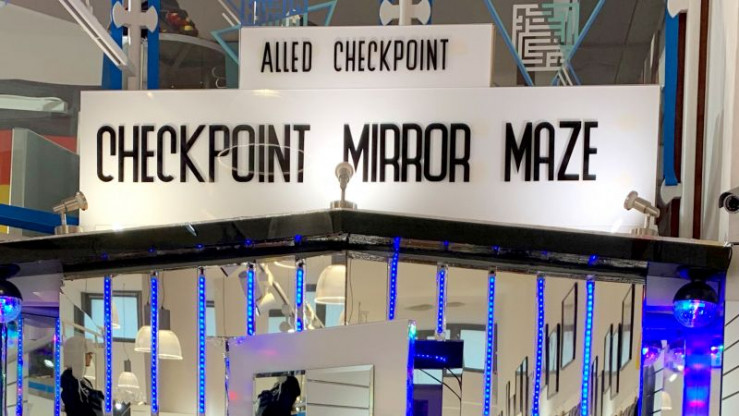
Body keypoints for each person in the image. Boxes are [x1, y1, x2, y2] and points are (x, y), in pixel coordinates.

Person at [61, 336, 104, 416]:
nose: (91, 356)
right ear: (79, 355)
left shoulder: (85, 381)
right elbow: (75, 406)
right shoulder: (68, 379)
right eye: (88, 353)